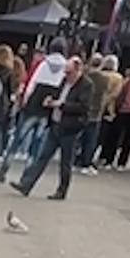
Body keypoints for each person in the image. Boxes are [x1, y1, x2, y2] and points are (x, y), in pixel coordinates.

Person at [12, 54, 91, 200]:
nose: (66, 75)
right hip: (55, 123)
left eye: (69, 72)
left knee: (65, 161)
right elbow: (57, 93)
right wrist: (50, 99)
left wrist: (61, 105)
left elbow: (83, 107)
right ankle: (26, 185)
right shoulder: (63, 81)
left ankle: (62, 190)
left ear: (78, 70)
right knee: (42, 156)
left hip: (70, 127)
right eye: (65, 72)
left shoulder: (86, 85)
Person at [0, 37, 66, 183]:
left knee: (17, 139)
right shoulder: (64, 67)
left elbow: (32, 83)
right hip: (48, 106)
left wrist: (25, 100)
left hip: (34, 103)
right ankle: (26, 176)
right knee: (36, 145)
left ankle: (3, 170)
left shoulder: (43, 63)